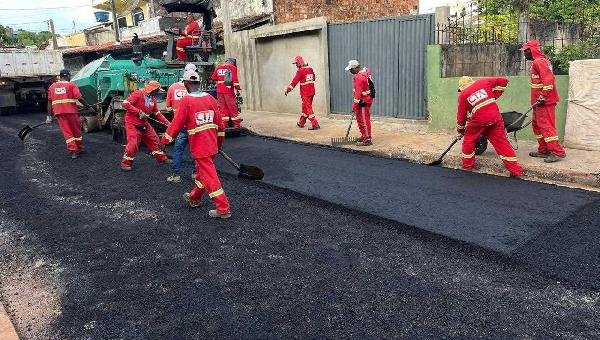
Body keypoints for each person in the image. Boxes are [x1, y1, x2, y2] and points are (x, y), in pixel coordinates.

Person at [160, 70, 231, 219]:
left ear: (185, 84)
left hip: (200, 148)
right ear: (198, 83)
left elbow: (176, 124)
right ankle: (194, 198)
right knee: (201, 175)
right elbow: (220, 125)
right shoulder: (211, 98)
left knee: (211, 178)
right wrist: (219, 144)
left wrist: (165, 140)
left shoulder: (187, 101)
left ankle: (223, 208)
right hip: (212, 145)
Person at [456, 76, 524, 177]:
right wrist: (493, 96)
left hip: (479, 120)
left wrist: (461, 130)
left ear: (462, 87)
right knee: (502, 143)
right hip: (495, 116)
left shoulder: (463, 95)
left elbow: (461, 116)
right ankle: (515, 170)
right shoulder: (483, 82)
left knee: (469, 140)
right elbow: (504, 81)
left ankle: (467, 166)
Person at [521, 40, 566, 163]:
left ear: (532, 50)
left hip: (544, 101)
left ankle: (557, 152)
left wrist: (543, 96)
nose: (524, 54)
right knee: (537, 125)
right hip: (539, 101)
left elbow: (548, 79)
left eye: (525, 51)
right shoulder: (538, 62)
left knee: (546, 126)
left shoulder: (539, 62)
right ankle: (544, 150)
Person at [120, 81, 172, 171]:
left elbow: (157, 114)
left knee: (155, 140)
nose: (158, 92)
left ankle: (162, 158)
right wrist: (138, 112)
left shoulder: (153, 99)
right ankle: (125, 163)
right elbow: (125, 103)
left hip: (144, 124)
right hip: (132, 123)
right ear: (152, 89)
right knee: (133, 144)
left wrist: (170, 125)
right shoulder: (138, 94)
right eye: (157, 90)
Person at [46, 69, 91, 159]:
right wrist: (87, 105)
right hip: (71, 112)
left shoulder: (52, 87)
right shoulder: (71, 85)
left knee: (67, 132)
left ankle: (74, 151)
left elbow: (49, 102)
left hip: (59, 113)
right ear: (67, 76)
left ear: (60, 76)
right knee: (76, 131)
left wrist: (49, 116)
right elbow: (79, 97)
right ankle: (78, 148)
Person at [165, 64, 197, 183]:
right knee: (195, 150)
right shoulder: (196, 89)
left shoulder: (173, 87)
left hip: (180, 126)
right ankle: (195, 173)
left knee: (178, 150)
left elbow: (168, 107)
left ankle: (176, 175)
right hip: (194, 125)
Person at [285, 55, 319, 130]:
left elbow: (294, 82)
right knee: (305, 107)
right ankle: (301, 122)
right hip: (312, 92)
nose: (296, 65)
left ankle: (315, 124)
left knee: (308, 108)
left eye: (297, 63)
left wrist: (288, 90)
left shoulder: (300, 71)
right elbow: (314, 77)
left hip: (305, 93)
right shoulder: (310, 69)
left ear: (300, 62)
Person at [345, 60, 374, 146]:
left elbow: (357, 94)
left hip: (363, 101)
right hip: (365, 99)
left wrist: (354, 106)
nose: (350, 71)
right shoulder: (365, 73)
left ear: (356, 68)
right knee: (363, 119)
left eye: (351, 69)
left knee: (363, 120)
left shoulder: (359, 77)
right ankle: (364, 135)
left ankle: (367, 139)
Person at [211, 57, 241, 128]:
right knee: (232, 107)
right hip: (228, 91)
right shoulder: (232, 67)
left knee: (223, 108)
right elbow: (235, 80)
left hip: (219, 91)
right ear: (233, 62)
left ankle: (224, 124)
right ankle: (236, 124)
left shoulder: (218, 67)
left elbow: (213, 78)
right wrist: (238, 88)